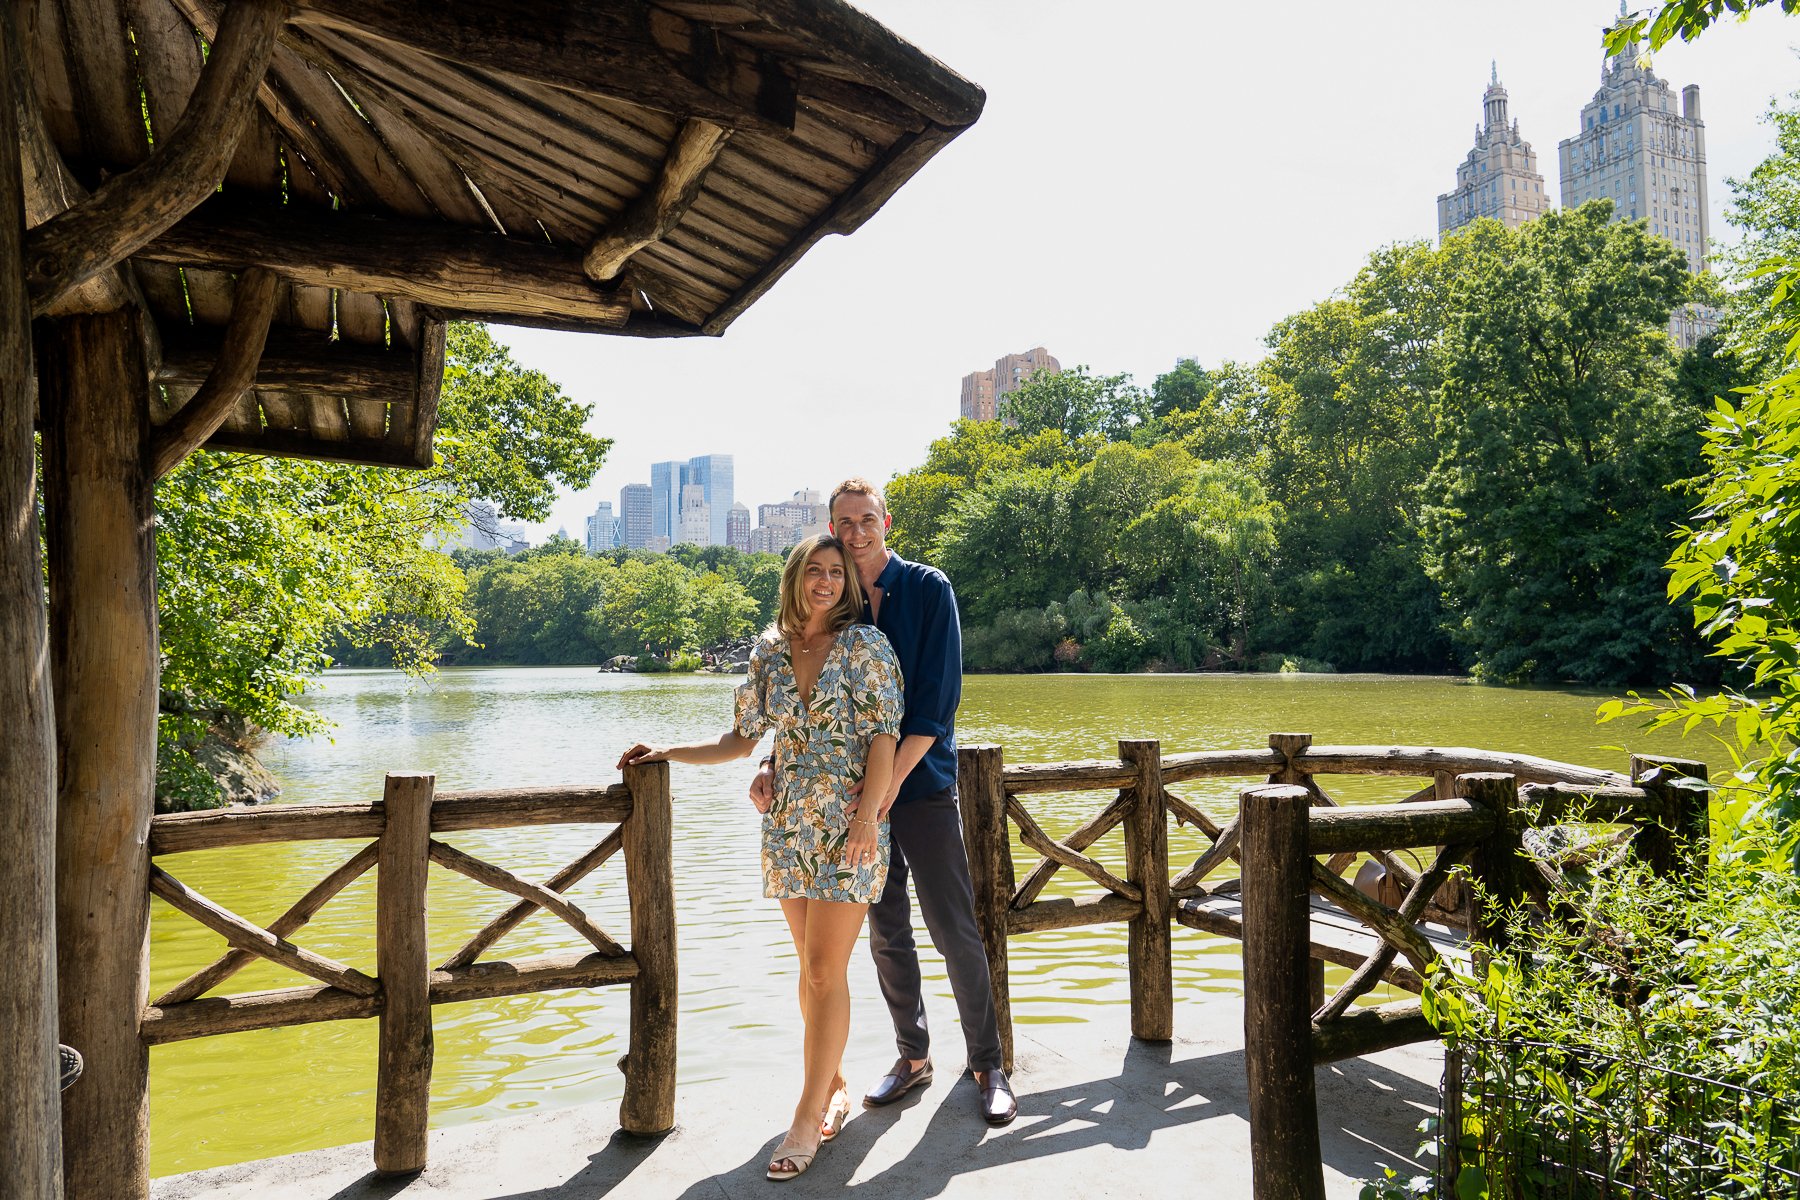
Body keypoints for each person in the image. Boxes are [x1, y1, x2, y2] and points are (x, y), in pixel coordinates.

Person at [618, 533, 904, 1180]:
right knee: (811, 970)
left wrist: (866, 820)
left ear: (847, 585)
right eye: (815, 570)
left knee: (827, 971)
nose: (827, 581)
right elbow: (739, 741)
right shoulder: (770, 653)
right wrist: (666, 752)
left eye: (837, 572)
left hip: (849, 826)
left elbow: (885, 737)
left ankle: (805, 1118)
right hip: (786, 826)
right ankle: (830, 1086)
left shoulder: (867, 647)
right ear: (796, 578)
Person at [751, 478, 1017, 1127]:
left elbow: (934, 708)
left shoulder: (930, 589)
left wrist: (883, 795)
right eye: (844, 522)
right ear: (832, 527)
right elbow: (800, 708)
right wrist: (767, 763)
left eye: (866, 519)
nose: (856, 532)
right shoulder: (833, 602)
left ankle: (989, 1064)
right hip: (846, 804)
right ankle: (913, 1056)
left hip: (920, 789)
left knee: (953, 925)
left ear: (886, 522)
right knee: (886, 931)